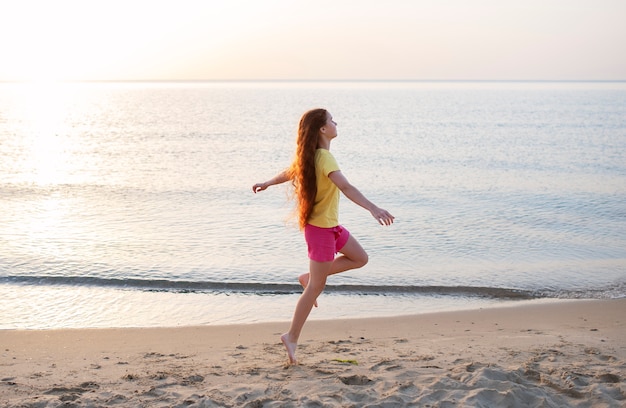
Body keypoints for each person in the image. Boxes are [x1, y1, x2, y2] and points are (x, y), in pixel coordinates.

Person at [252, 108, 394, 365]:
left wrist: (268, 182)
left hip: (330, 227)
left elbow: (290, 171)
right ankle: (291, 336)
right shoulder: (325, 159)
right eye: (331, 120)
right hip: (320, 231)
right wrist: (374, 208)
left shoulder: (313, 156)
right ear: (322, 129)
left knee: (359, 258)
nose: (335, 123)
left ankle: (308, 278)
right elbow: (347, 187)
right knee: (316, 288)